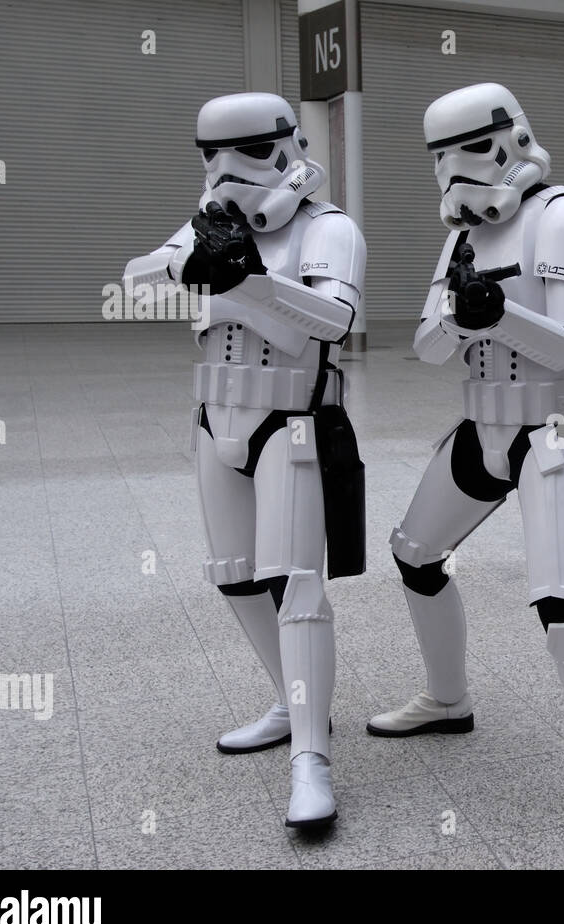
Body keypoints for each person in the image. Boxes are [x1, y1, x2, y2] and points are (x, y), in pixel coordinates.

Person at [367, 84, 564, 843]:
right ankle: (449, 700)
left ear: (512, 140)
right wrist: (456, 313)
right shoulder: (462, 238)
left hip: (554, 430)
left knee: (562, 610)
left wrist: (498, 313)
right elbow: (422, 344)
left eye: (468, 152)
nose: (455, 174)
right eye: (440, 161)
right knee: (415, 555)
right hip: (481, 426)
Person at [123, 94, 368, 828]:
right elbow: (135, 275)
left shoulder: (328, 228)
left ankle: (312, 759)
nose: (226, 172)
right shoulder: (211, 221)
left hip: (291, 422)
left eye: (248, 153)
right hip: (213, 421)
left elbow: (337, 319)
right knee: (234, 579)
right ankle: (292, 705)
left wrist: (249, 282)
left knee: (295, 586)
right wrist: (191, 263)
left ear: (289, 149)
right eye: (211, 156)